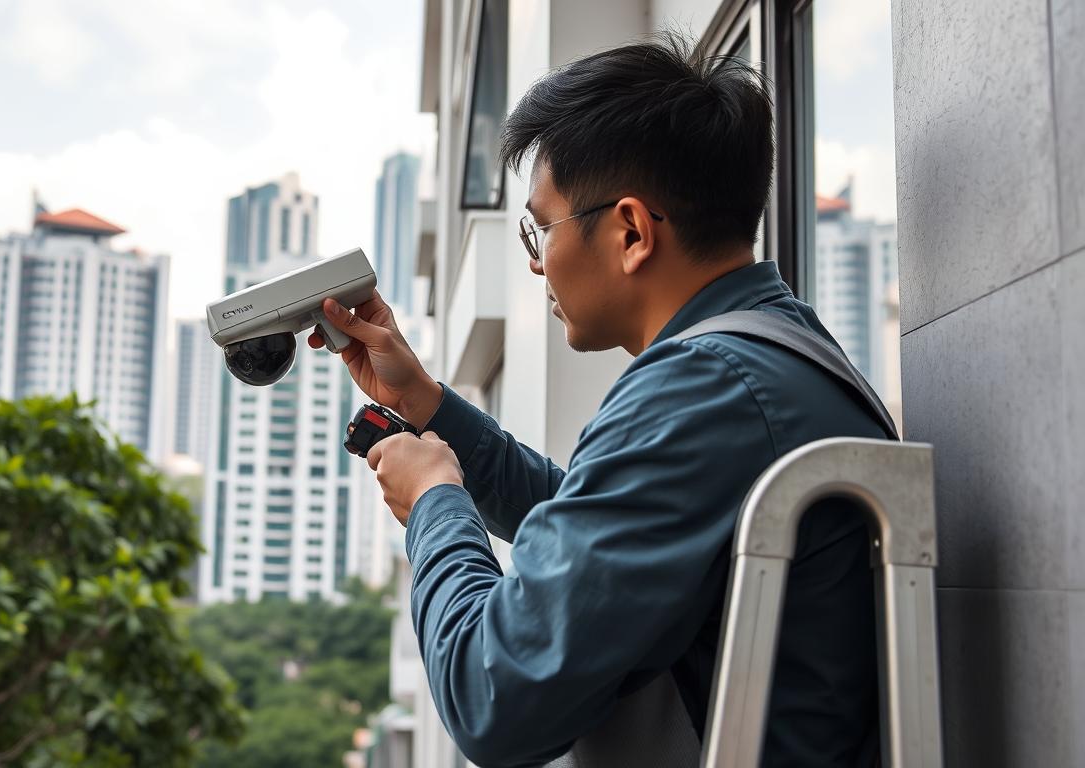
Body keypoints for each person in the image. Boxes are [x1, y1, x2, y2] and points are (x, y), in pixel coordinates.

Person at [309, 34, 886, 767]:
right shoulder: (775, 350)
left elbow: (491, 697)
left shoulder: (699, 389)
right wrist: (424, 403)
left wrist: (434, 501)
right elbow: (598, 525)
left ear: (630, 231)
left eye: (540, 226)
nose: (534, 258)